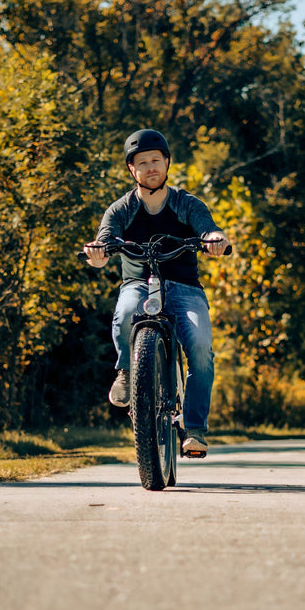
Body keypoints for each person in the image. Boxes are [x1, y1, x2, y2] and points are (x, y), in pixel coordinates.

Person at [83, 129, 230, 456]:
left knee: (202, 349)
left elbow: (207, 227)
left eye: (155, 160)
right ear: (131, 170)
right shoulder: (121, 209)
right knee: (124, 313)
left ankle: (194, 429)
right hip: (138, 283)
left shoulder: (185, 203)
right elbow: (105, 239)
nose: (150, 167)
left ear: (166, 163)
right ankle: (126, 372)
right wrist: (98, 251)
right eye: (142, 162)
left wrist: (214, 240)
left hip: (185, 287)